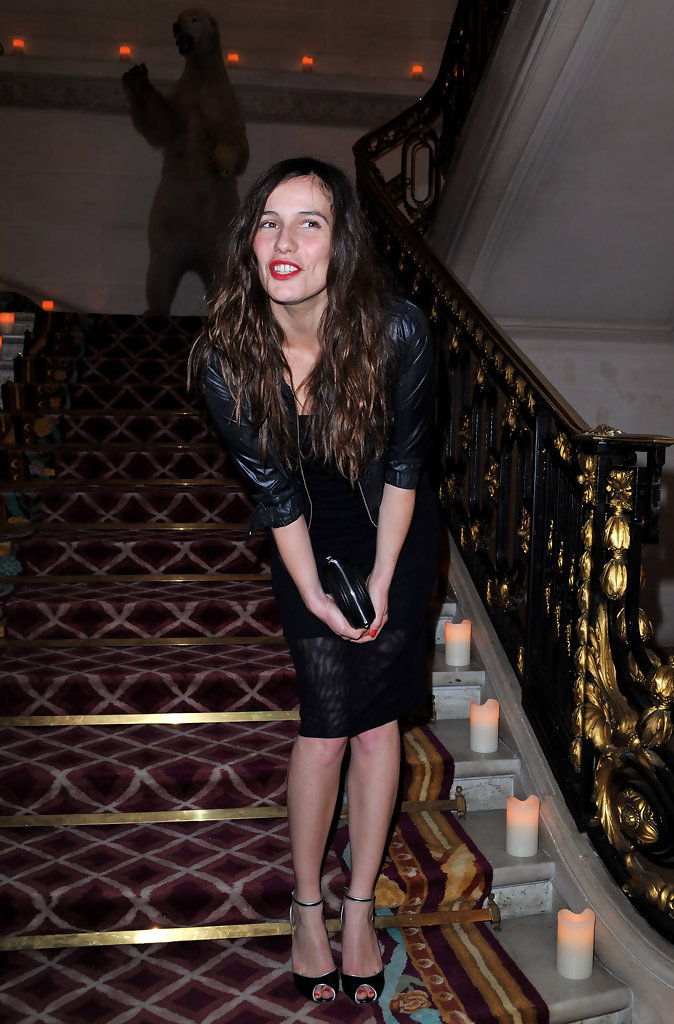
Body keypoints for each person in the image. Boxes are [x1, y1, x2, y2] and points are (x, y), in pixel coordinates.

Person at [189, 156, 441, 1005]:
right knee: (328, 728)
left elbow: (405, 465)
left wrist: (382, 576)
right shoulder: (226, 355)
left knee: (376, 728)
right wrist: (315, 596)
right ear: (249, 241)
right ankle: (307, 906)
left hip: (393, 529)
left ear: (342, 245)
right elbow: (275, 493)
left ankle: (358, 906)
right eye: (268, 222)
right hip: (305, 538)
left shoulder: (397, 331)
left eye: (309, 222)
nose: (284, 240)